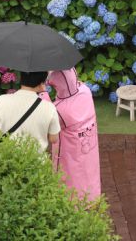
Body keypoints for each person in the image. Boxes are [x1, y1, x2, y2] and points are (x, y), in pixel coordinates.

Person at [47, 68, 101, 200]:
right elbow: (78, 84)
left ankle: (73, 203)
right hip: (89, 148)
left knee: (71, 176)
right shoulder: (85, 91)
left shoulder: (60, 109)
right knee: (90, 172)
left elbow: (48, 122)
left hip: (69, 154)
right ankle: (92, 197)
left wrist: (44, 97)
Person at [0, 71, 61, 153]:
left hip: (5, 156)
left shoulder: (1, 100)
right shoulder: (49, 108)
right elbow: (53, 138)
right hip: (35, 158)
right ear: (41, 84)